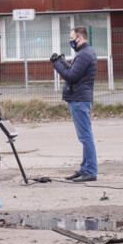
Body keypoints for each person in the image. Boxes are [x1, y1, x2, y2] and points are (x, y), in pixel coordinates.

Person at [50, 26, 98, 182]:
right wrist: (62, 62)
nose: (70, 40)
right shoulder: (84, 53)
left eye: (71, 38)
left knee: (86, 138)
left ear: (79, 38)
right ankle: (84, 169)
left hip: (79, 100)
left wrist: (57, 65)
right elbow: (74, 72)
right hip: (79, 98)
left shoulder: (84, 54)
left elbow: (71, 76)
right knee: (85, 137)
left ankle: (90, 171)